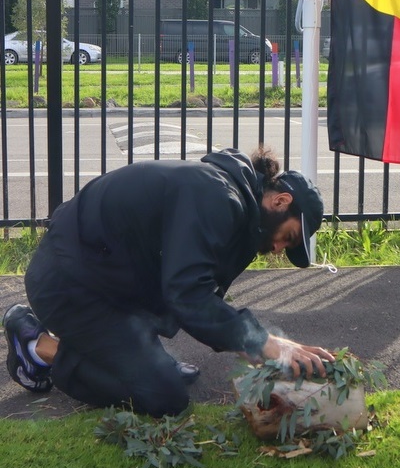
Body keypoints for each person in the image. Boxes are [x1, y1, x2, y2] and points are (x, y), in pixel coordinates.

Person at [3, 146, 334, 417]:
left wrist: (252, 346)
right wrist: (267, 343)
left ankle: (132, 355)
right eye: (287, 238)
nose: (278, 249)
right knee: (164, 397)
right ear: (280, 201)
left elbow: (199, 291)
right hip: (68, 284)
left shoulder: (238, 212)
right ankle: (38, 347)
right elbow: (187, 294)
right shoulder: (216, 197)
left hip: (106, 279)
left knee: (158, 370)